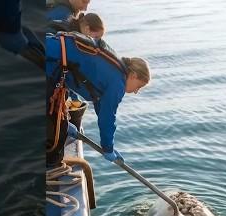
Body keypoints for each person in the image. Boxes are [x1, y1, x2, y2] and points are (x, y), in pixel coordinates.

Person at [46, 32, 150, 164]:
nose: (136, 92)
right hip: (50, 60)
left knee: (56, 124)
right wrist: (107, 149)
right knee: (51, 137)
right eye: (138, 87)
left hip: (52, 47)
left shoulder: (116, 67)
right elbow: (107, 117)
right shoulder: (118, 83)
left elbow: (100, 105)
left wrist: (108, 146)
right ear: (134, 75)